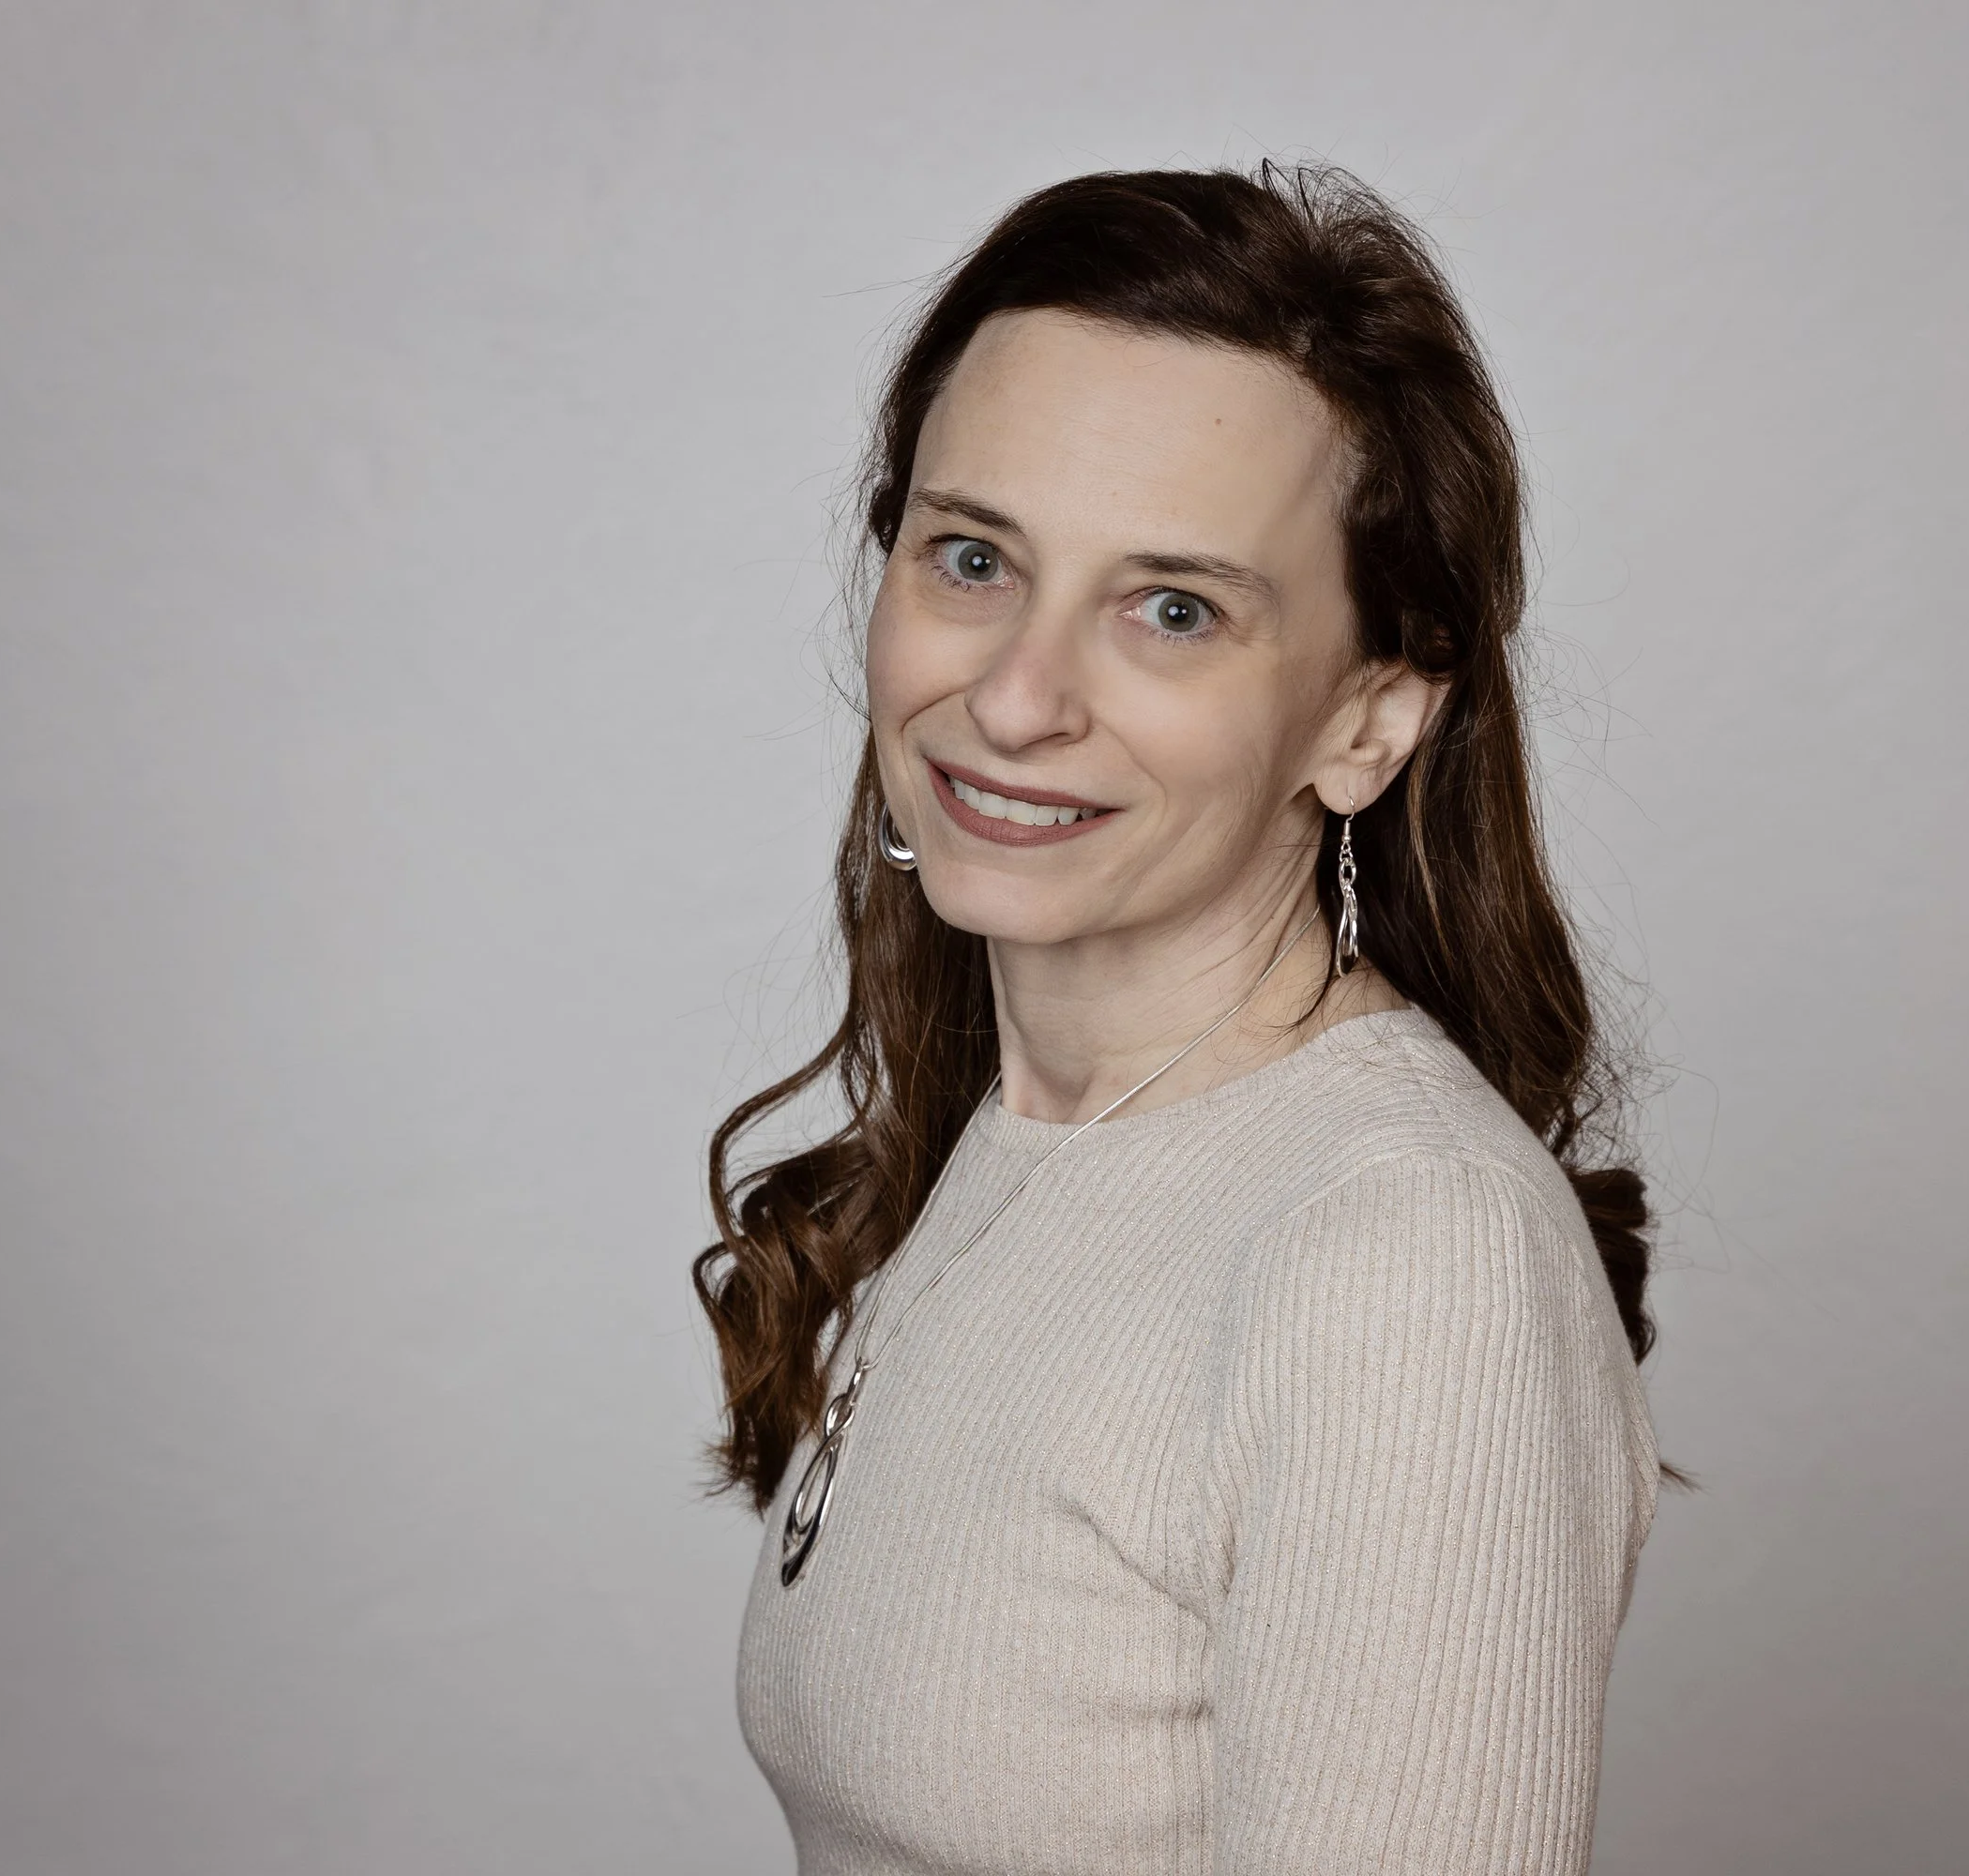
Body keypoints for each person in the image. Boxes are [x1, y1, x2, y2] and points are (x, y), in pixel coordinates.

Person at [695, 161, 1662, 1873]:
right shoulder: (1022, 1138)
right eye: (974, 556)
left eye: (1173, 609)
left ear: (1367, 718)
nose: (1012, 698)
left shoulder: (1400, 1254)